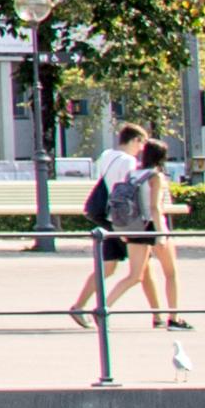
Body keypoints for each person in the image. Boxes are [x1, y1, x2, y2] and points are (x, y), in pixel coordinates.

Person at [65, 119, 154, 332]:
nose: (143, 149)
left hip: (105, 218)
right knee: (139, 269)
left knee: (110, 267)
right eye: (142, 144)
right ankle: (160, 315)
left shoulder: (106, 156)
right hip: (123, 220)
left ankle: (79, 306)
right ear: (135, 140)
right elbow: (127, 192)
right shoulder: (129, 162)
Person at [128, 133, 191, 353]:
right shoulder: (156, 176)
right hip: (154, 227)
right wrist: (161, 234)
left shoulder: (134, 174)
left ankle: (156, 315)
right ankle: (174, 316)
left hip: (135, 226)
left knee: (139, 275)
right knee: (170, 273)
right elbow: (156, 207)